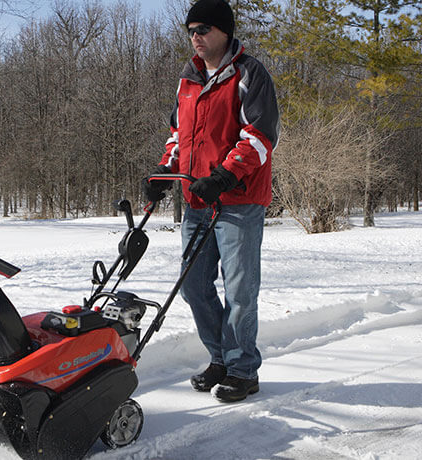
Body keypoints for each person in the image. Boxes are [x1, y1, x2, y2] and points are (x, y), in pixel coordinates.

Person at [143, 0, 280, 402]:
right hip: (197, 201)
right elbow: (177, 134)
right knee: (194, 287)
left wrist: (223, 175)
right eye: (190, 30)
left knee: (239, 290)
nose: (195, 37)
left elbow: (260, 136)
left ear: (223, 31)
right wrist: (163, 173)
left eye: (202, 29)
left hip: (238, 200)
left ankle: (242, 370)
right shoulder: (188, 79)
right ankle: (221, 358)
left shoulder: (249, 74)